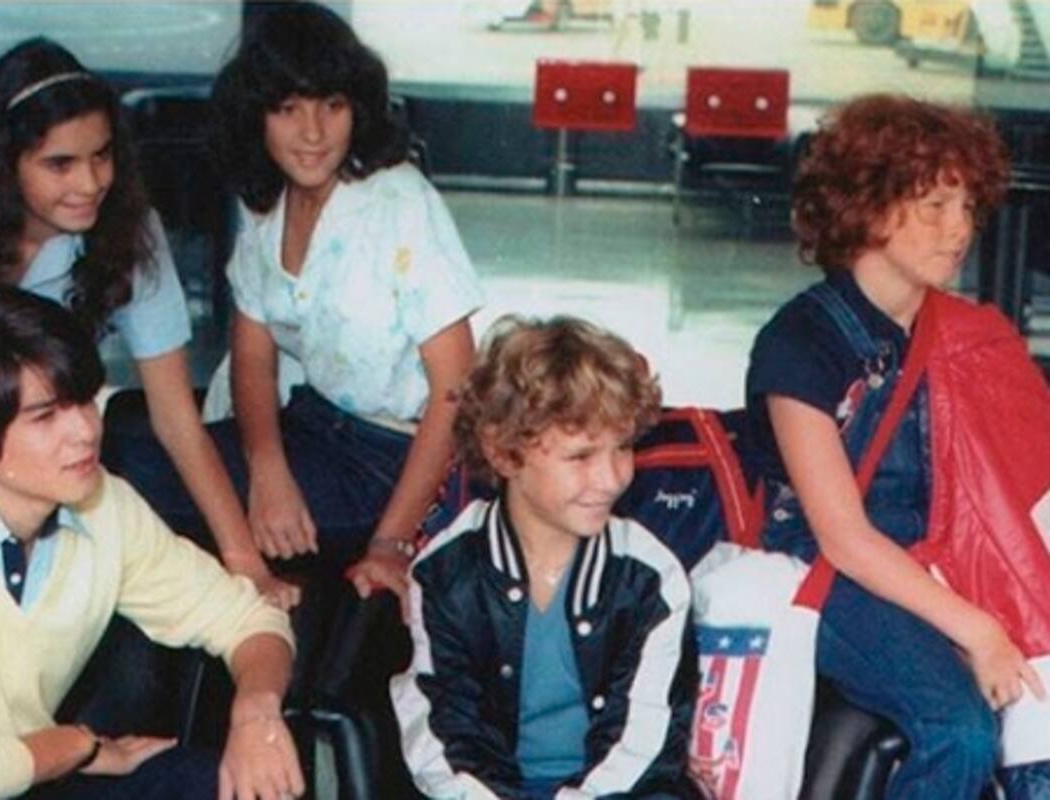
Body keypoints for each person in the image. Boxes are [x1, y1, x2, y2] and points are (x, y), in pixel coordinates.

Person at [0, 37, 294, 606]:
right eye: (60, 163)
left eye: (102, 156)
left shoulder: (131, 234)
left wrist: (242, 560)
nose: (89, 183)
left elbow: (177, 416)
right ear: (3, 165)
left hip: (30, 454)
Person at [0, 286, 302, 800]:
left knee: (218, 784)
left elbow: (248, 618)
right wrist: (75, 748)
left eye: (86, 400)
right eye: (46, 417)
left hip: (16, 773)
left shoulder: (104, 505)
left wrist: (255, 715)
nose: (86, 431)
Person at [113, 0, 483, 601]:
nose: (313, 134)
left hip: (386, 461)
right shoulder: (268, 202)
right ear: (256, 116)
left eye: (332, 107)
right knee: (123, 429)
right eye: (288, 110)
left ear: (357, 110)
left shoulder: (398, 202)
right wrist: (267, 468)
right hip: (308, 423)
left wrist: (390, 542)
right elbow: (253, 350)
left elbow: (455, 391)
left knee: (125, 471)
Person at [746, 94, 1050, 799]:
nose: (961, 230)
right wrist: (979, 630)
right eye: (935, 207)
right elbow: (842, 538)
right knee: (958, 728)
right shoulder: (801, 344)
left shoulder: (972, 333)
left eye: (968, 207)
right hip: (836, 573)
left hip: (947, 558)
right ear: (871, 208)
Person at [391, 316, 697, 800]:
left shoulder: (651, 577)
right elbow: (446, 729)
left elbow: (644, 742)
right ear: (503, 452)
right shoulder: (443, 573)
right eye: (580, 457)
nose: (611, 479)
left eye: (623, 449)